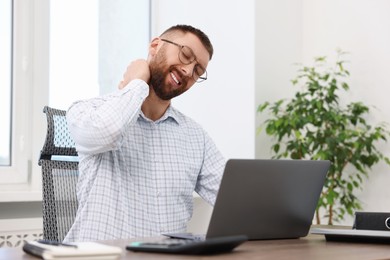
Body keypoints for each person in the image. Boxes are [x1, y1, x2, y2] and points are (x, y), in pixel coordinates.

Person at [64, 24, 226, 242]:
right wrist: (138, 82)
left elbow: (234, 198)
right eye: (186, 54)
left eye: (198, 71)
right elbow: (108, 131)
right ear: (155, 46)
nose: (188, 71)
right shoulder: (87, 111)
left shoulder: (196, 137)